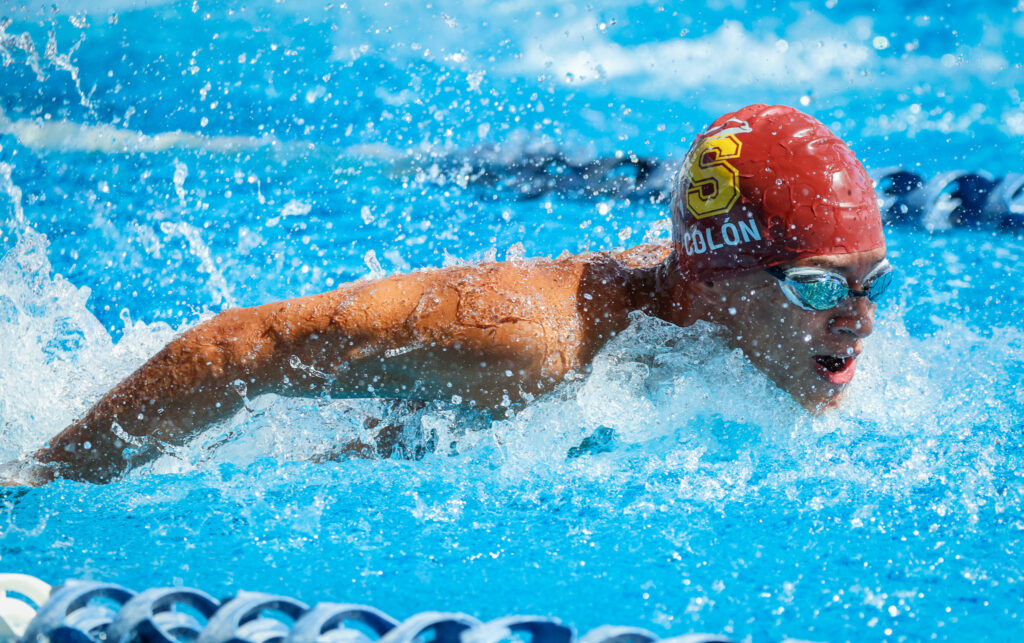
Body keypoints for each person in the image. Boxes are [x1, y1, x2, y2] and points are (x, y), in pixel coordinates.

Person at [14, 104, 893, 484]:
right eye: (820, 285)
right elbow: (246, 345)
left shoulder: (740, 318)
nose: (858, 320)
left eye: (871, 284)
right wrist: (37, 478)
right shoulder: (530, 337)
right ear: (711, 280)